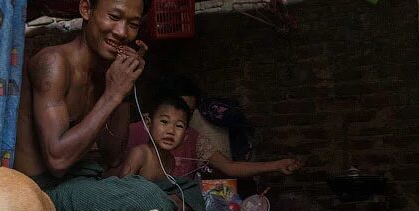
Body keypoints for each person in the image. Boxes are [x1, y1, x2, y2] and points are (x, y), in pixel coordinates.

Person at [14, 0, 185, 211]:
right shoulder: (54, 64)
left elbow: (112, 155)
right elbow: (57, 160)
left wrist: (124, 89)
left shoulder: (106, 73)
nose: (122, 32)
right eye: (114, 17)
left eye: (133, 24)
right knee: (148, 201)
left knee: (179, 193)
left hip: (86, 182)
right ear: (86, 10)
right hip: (45, 194)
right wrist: (113, 93)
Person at [127, 75, 302, 179]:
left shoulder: (193, 139)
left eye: (188, 112)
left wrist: (277, 165)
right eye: (165, 120)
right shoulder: (135, 135)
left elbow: (230, 167)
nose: (172, 128)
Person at [115, 94, 206, 211]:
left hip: (157, 207)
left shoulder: (170, 160)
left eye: (179, 126)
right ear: (148, 123)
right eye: (164, 122)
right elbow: (121, 190)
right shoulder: (140, 153)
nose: (170, 131)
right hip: (134, 207)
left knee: (190, 192)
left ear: (186, 135)